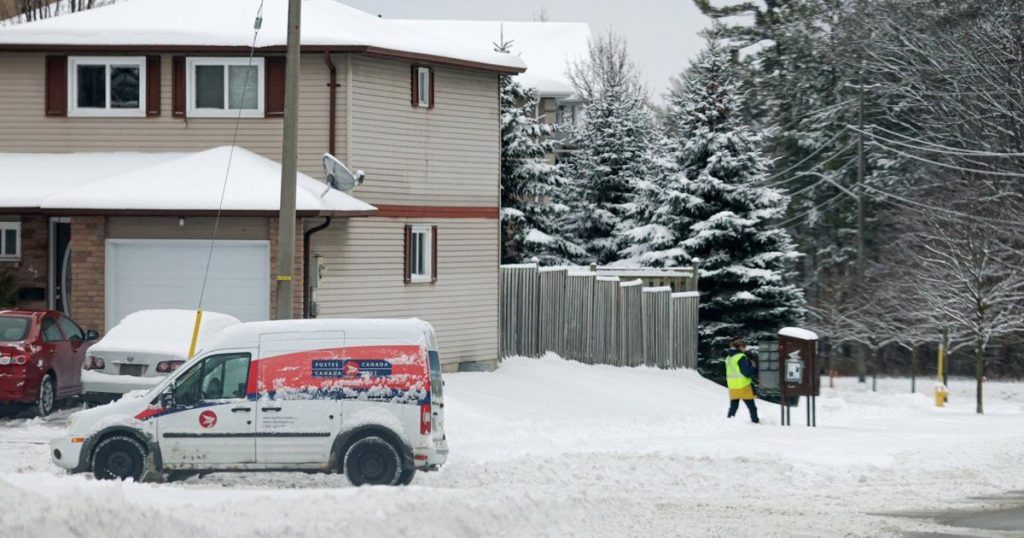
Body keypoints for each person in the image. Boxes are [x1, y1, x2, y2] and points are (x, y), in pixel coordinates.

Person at [725, 338, 759, 423]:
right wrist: (753, 366)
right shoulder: (741, 357)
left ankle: (728, 422)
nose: (745, 348)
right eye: (744, 346)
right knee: (752, 407)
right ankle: (755, 422)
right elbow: (746, 373)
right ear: (740, 347)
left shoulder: (729, 358)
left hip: (732, 386)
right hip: (743, 386)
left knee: (733, 407)